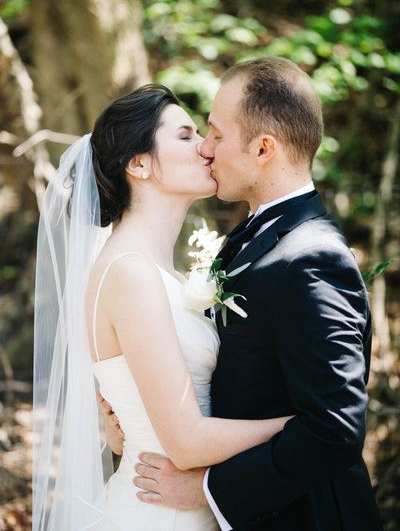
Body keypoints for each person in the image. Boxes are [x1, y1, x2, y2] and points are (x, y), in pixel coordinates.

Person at [121, 58, 382, 530]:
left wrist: (208, 488)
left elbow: (334, 429)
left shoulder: (312, 257)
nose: (206, 146)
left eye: (217, 135)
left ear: (263, 149)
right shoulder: (253, 237)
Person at [33, 84, 293, 531]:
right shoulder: (130, 274)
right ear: (138, 164)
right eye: (186, 136)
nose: (207, 149)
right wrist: (303, 425)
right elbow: (188, 442)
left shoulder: (158, 271)